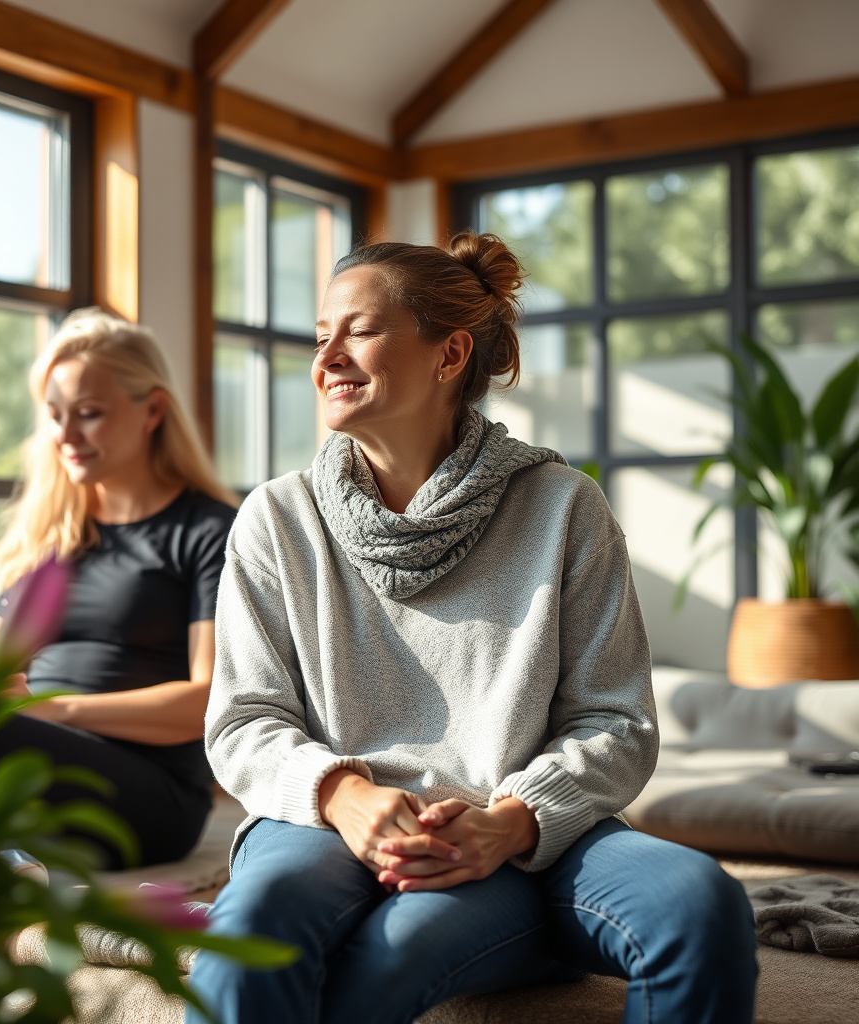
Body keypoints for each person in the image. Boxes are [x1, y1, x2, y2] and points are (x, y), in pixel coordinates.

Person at [189, 233, 758, 1023]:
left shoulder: (564, 507)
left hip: (522, 838)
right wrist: (346, 794)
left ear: (449, 353)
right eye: (322, 336)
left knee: (701, 903)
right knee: (252, 930)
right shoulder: (277, 517)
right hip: (328, 825)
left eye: (359, 330)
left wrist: (510, 823)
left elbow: (616, 722)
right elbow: (245, 719)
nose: (329, 357)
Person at [0, 308, 238, 870]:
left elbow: (211, 700)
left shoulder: (209, 531)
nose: (65, 436)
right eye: (55, 415)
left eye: (88, 414)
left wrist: (55, 710)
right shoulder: (52, 534)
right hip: (35, 752)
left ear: (153, 411)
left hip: (150, 792)